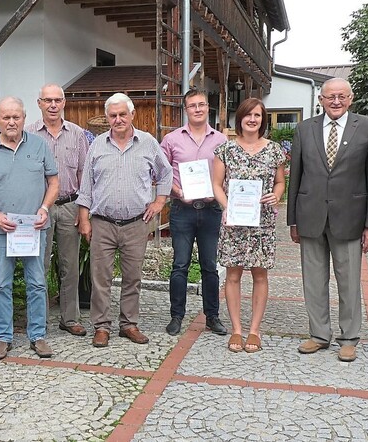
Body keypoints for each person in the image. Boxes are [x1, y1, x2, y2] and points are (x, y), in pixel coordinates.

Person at [287, 78, 368, 362]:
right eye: (330, 97)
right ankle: (318, 334)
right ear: (321, 100)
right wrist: (293, 220)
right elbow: (296, 176)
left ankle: (349, 337)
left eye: (341, 96)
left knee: (349, 281)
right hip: (311, 216)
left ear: (351, 98)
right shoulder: (305, 129)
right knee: (313, 281)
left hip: (350, 218)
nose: (336, 102)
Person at [76, 93, 172, 348]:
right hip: (102, 223)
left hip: (135, 223)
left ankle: (129, 324)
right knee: (100, 278)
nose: (118, 119)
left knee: (133, 277)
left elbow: (166, 173)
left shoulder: (148, 143)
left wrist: (159, 202)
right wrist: (84, 218)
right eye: (113, 115)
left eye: (122, 114)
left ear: (132, 115)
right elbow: (86, 185)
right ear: (107, 117)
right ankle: (101, 326)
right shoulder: (97, 145)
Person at [0, 97, 59, 360]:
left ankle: (38, 336)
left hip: (34, 229)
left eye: (16, 117)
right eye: (6, 117)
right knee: (1, 284)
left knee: (36, 282)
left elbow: (53, 182)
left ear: (23, 118)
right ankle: (4, 337)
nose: (11, 122)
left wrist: (44, 209)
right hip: (2, 230)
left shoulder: (39, 145)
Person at [212, 98, 285, 353]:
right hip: (234, 222)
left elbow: (279, 183)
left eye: (258, 115)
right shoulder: (226, 150)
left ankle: (254, 330)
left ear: (263, 119)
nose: (253, 119)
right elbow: (216, 185)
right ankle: (236, 329)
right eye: (248, 115)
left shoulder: (274, 150)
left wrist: (277, 195)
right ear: (240, 118)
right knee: (232, 275)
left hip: (262, 222)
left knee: (260, 274)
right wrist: (226, 207)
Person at [160, 89, 227, 337]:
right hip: (182, 210)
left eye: (201, 105)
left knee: (210, 266)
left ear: (207, 107)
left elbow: (227, 175)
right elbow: (160, 172)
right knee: (180, 265)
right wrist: (177, 191)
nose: (197, 109)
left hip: (211, 210)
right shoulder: (171, 140)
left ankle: (213, 316)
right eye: (192, 106)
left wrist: (218, 193)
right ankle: (176, 316)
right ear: (185, 110)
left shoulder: (221, 140)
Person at [24, 84, 90, 337]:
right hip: (39, 209)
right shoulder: (28, 134)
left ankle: (70, 318)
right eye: (47, 100)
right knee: (37, 264)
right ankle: (38, 321)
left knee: (69, 265)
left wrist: (83, 210)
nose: (53, 105)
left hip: (70, 206)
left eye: (57, 100)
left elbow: (85, 174)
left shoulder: (77, 134)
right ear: (39, 103)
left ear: (64, 103)